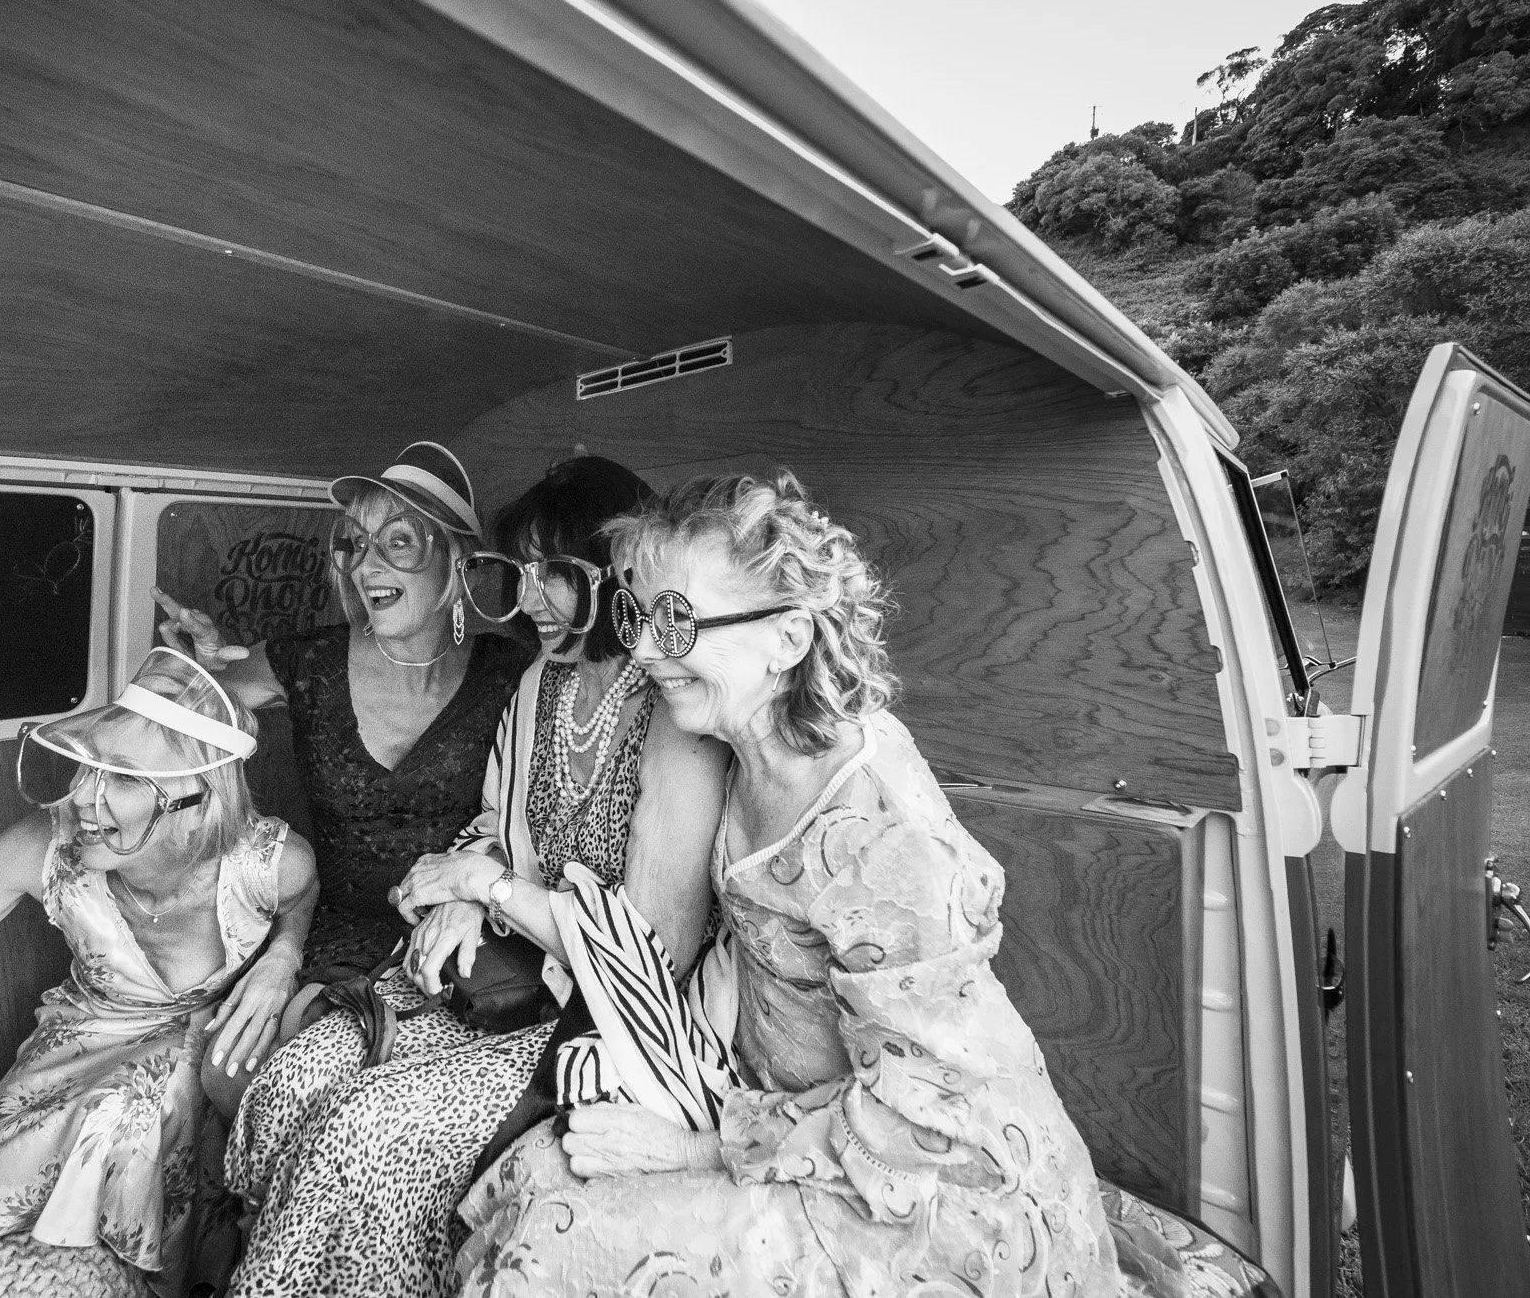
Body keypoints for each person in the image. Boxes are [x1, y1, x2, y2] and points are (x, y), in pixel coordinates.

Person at [451, 471, 1122, 1298]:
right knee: (534, 1174)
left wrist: (696, 1147)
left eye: (677, 621)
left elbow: (926, 1108)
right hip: (787, 1115)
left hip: (914, 1184)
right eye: (639, 616)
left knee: (555, 1248)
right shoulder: (733, 752)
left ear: (789, 637)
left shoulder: (874, 827)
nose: (648, 650)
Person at [222, 456, 730, 1298]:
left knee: (363, 1130)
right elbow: (493, 822)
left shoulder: (669, 711)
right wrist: (467, 887)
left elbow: (655, 952)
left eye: (551, 577)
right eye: (518, 576)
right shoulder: (540, 682)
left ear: (619, 574)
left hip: (599, 1011)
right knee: (292, 1080)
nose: (528, 599)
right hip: (505, 970)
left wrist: (489, 892)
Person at [0, 647, 318, 1289]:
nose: (81, 800)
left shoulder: (270, 863)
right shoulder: (44, 848)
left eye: (122, 778)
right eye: (85, 767)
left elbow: (301, 891)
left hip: (195, 1078)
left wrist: (283, 956)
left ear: (198, 795)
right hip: (70, 1068)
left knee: (135, 1112)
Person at [158, 441, 531, 1013]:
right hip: (339, 937)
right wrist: (201, 669)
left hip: (472, 929)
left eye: (398, 542)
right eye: (355, 545)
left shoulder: (509, 672)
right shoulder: (306, 662)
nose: (366, 565)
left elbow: (545, 823)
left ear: (457, 561)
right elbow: (190, 725)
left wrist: (485, 890)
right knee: (231, 1076)